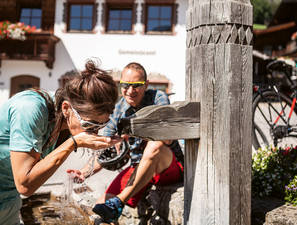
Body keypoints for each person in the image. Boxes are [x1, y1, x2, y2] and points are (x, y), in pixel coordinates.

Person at [0, 59, 121, 225]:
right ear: (66, 108)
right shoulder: (29, 109)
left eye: (101, 124)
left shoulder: (64, 120)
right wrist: (73, 143)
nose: (95, 132)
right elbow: (25, 185)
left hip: (8, 200)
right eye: (89, 125)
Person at [69, 62, 184, 224]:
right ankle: (112, 207)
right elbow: (105, 146)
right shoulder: (119, 108)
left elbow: (167, 138)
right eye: (126, 85)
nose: (130, 91)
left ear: (146, 85)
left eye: (136, 86)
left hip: (168, 166)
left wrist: (132, 132)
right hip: (139, 168)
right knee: (99, 210)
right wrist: (84, 172)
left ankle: (118, 202)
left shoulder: (158, 98)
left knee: (155, 145)